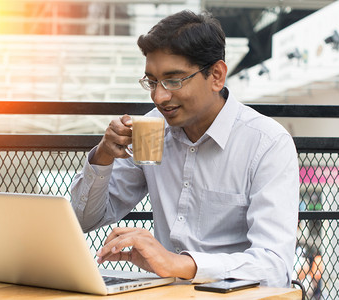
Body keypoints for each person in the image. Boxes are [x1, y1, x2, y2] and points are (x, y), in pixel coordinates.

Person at [71, 10, 299, 287]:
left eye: (173, 80)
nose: (159, 97)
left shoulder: (267, 143)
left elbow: (275, 265)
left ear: (216, 75)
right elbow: (83, 220)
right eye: (152, 82)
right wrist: (104, 155)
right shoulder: (152, 129)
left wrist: (180, 264)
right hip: (163, 292)